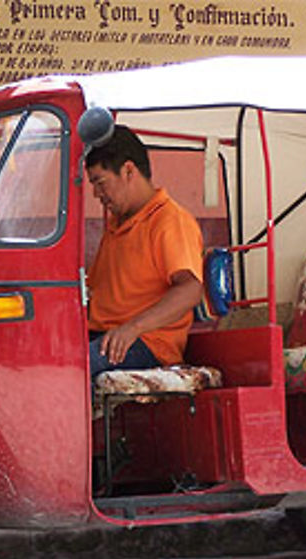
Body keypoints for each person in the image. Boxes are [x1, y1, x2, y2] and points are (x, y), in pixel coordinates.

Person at [85, 125, 204, 379]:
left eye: (100, 182)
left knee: (73, 371)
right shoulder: (117, 225)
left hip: (146, 343)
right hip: (104, 336)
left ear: (128, 170)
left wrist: (132, 329)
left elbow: (190, 290)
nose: (96, 194)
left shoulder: (170, 220)